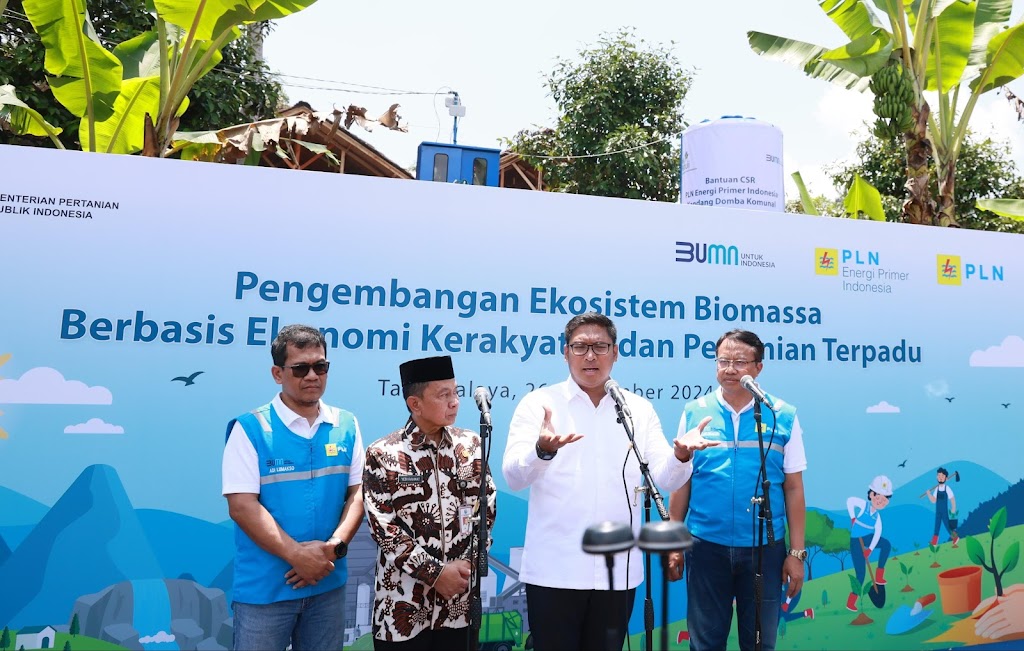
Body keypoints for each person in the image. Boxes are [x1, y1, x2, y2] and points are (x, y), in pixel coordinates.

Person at [502, 312, 714, 651]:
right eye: (580, 347)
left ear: (615, 353)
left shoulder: (637, 409)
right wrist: (541, 451)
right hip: (555, 569)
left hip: (618, 570)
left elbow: (664, 475)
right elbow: (513, 477)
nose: (590, 356)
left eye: (600, 347)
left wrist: (681, 456)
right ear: (565, 353)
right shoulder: (539, 404)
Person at [222, 324, 365, 651]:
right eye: (300, 368)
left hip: (327, 584)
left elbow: (358, 493)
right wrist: (297, 556)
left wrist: (334, 547)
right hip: (266, 591)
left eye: (320, 366)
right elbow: (242, 506)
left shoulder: (346, 424)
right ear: (278, 374)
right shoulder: (250, 428)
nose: (312, 376)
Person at [666, 329, 807, 651]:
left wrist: (796, 553)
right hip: (705, 545)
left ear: (758, 368)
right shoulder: (695, 412)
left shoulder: (782, 415)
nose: (730, 369)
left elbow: (794, 487)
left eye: (740, 362)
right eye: (723, 361)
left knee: (759, 643)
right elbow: (682, 480)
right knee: (704, 643)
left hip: (764, 549)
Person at [363, 355, 497, 650]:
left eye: (456, 393)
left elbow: (486, 510)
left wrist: (465, 567)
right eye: (443, 395)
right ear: (415, 404)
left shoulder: (471, 446)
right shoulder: (383, 453)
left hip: (459, 604)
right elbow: (384, 529)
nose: (455, 402)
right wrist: (436, 574)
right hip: (403, 606)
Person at [846, 475, 893, 611]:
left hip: (867, 537)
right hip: (856, 540)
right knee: (861, 574)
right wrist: (853, 518)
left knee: (886, 544)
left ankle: (879, 576)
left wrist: (870, 549)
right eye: (878, 497)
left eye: (884, 500)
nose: (881, 501)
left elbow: (878, 533)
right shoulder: (864, 506)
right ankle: (851, 601)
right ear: (871, 495)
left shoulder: (877, 517)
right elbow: (850, 501)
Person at [926, 466, 960, 547]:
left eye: (942, 476)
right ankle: (934, 542)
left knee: (947, 526)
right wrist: (929, 494)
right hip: (938, 511)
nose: (940, 477)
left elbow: (952, 498)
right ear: (936, 477)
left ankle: (955, 538)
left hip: (944, 511)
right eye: (939, 476)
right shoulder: (936, 489)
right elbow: (933, 501)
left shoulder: (947, 488)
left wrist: (953, 508)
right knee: (936, 526)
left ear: (946, 478)